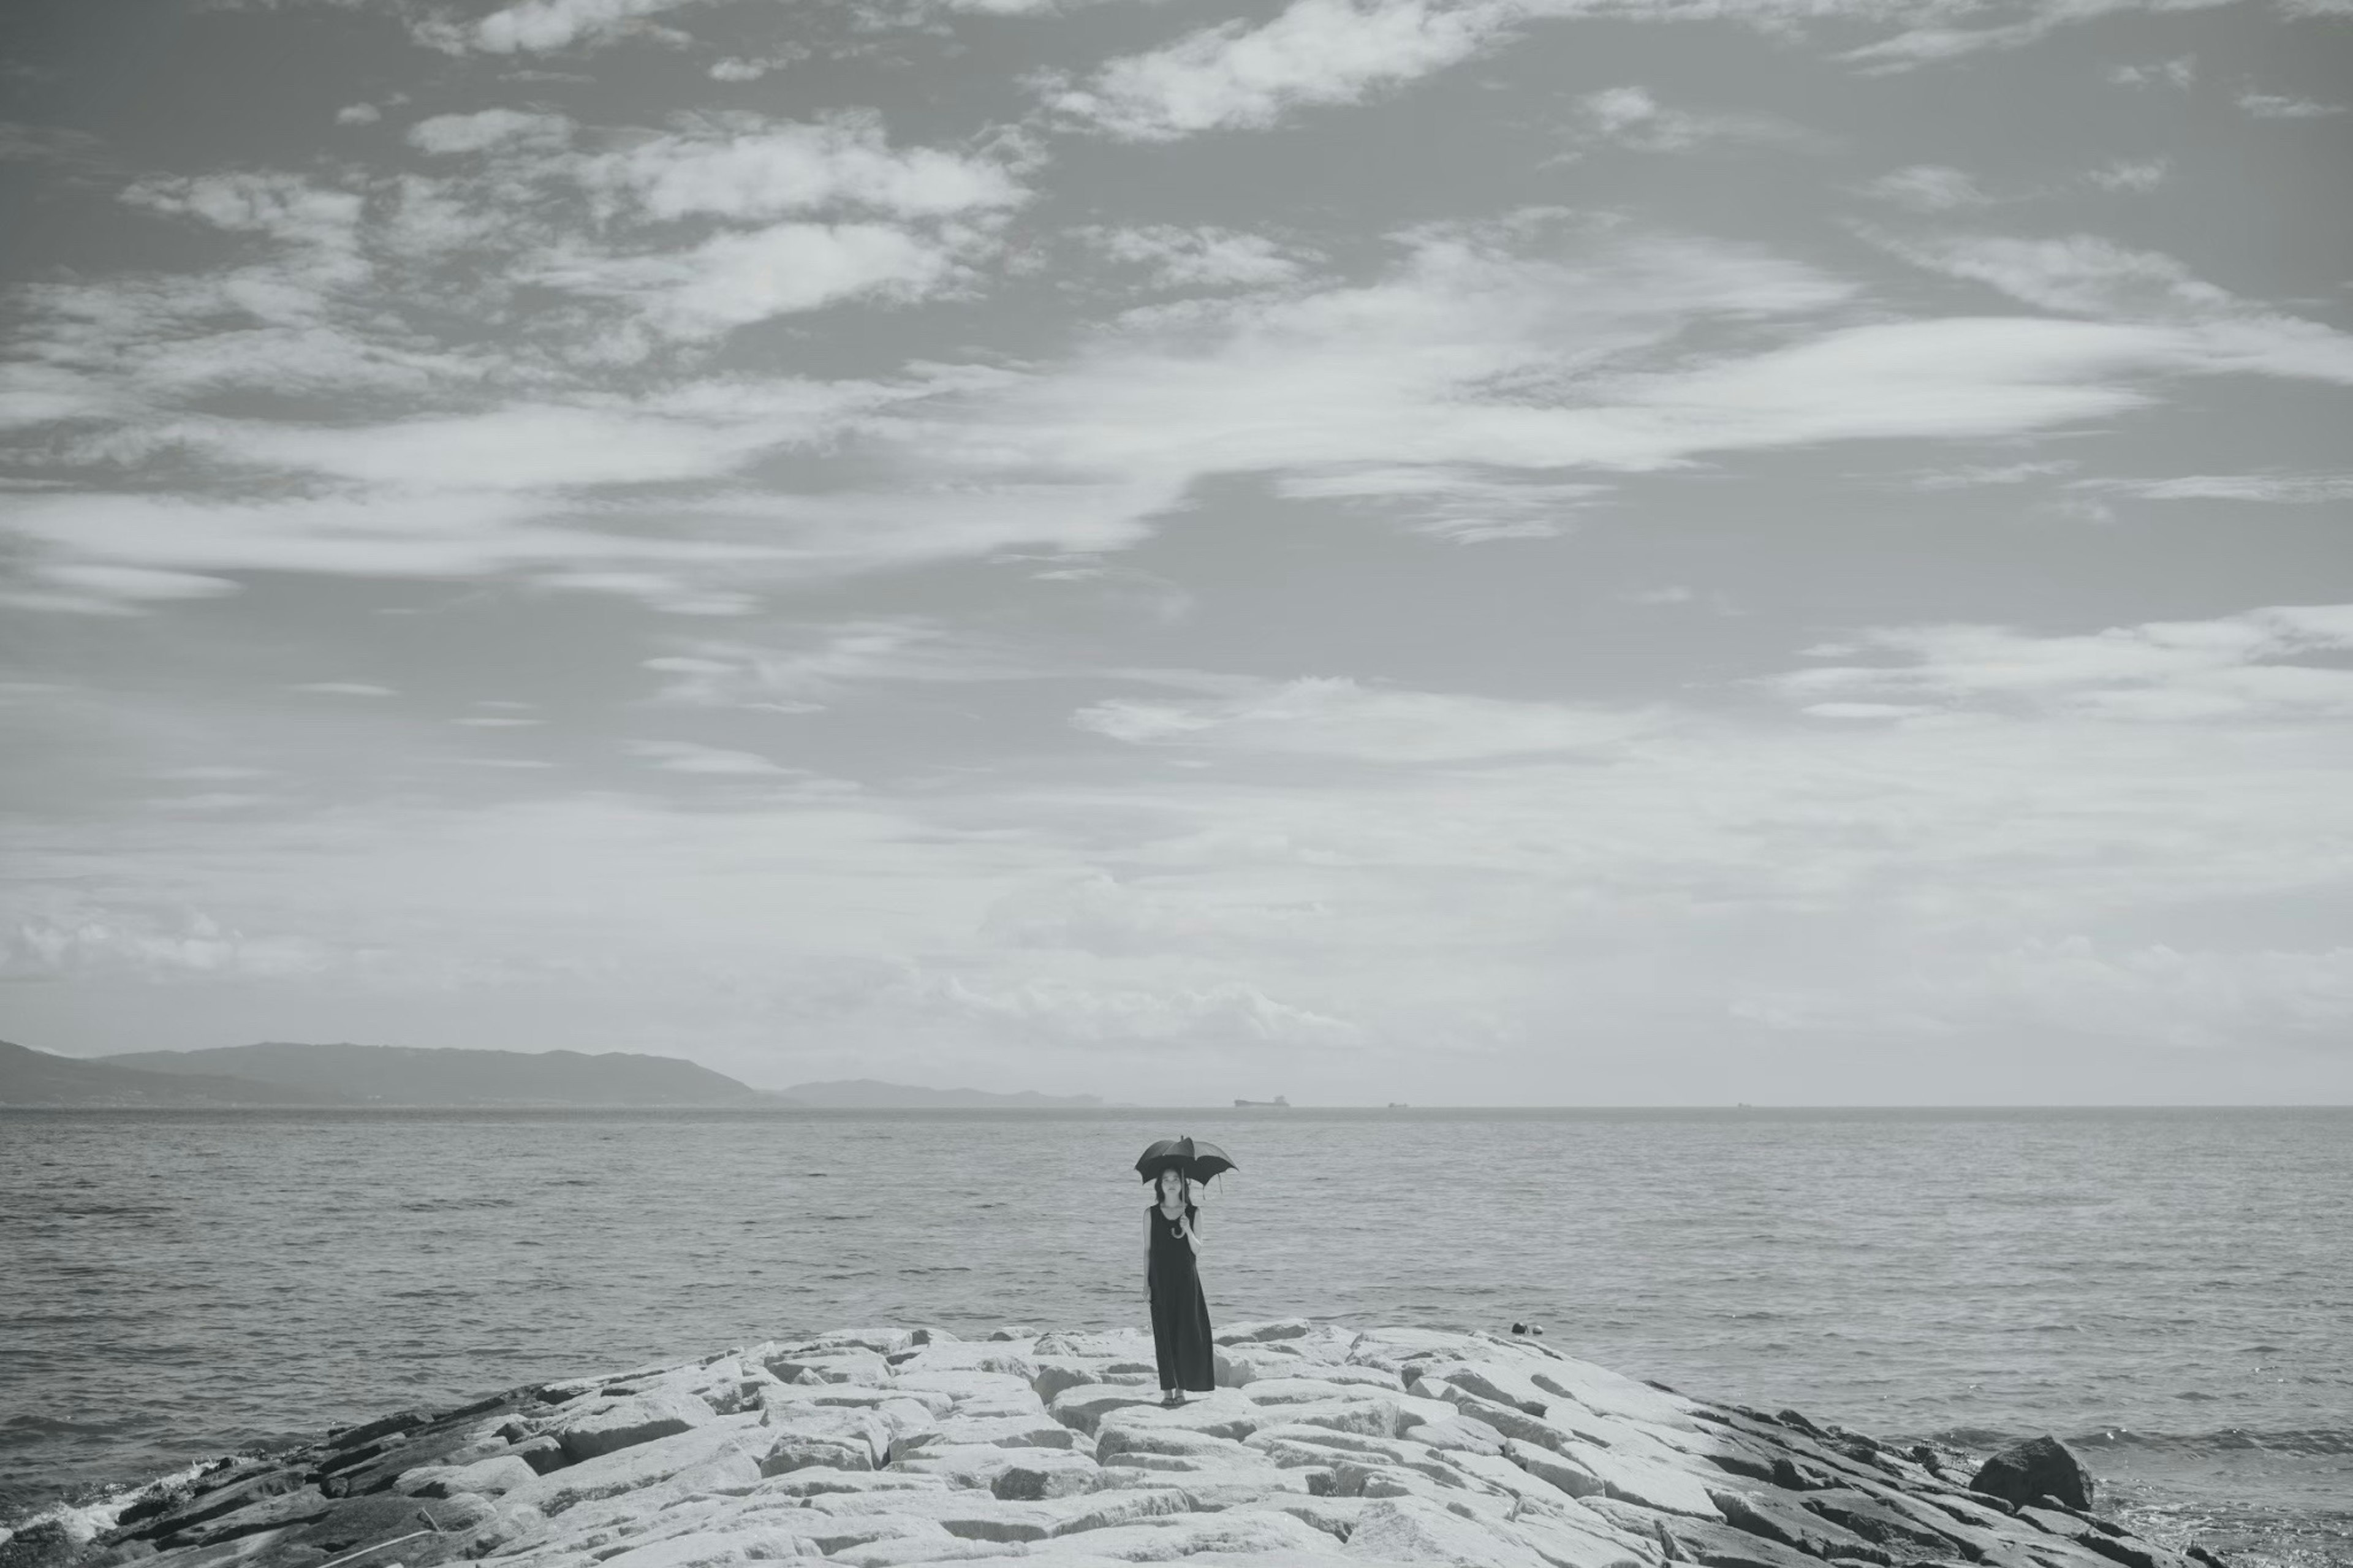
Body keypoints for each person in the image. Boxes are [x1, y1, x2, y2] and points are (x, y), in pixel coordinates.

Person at [1145, 1164, 1213, 1403]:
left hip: (1186, 1281)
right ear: (1160, 1185)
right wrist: (1146, 1283)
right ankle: (1166, 1392)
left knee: (1186, 1333)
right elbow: (1148, 1251)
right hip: (1160, 1281)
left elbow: (1197, 1249)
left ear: (1183, 1184)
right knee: (1163, 1334)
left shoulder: (1193, 1213)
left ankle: (1182, 1389)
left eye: (1175, 1179)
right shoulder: (1151, 1213)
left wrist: (1188, 1231)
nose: (1171, 1183)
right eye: (1166, 1179)